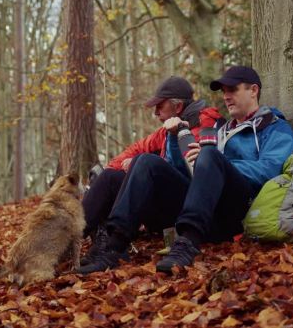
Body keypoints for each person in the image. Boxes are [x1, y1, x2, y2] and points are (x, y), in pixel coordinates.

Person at [79, 66, 293, 274]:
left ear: (254, 91)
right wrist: (176, 140)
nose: (226, 96)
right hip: (202, 206)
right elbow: (181, 173)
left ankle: (187, 243)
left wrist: (218, 161)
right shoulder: (221, 131)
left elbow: (272, 168)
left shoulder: (274, 126)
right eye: (224, 91)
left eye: (232, 90)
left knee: (209, 154)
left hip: (235, 212)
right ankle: (113, 245)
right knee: (145, 161)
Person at [81, 76, 222, 264]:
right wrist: (112, 168)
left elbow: (191, 170)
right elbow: (137, 148)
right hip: (166, 207)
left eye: (159, 106)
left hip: (190, 208)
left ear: (178, 107)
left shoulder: (205, 124)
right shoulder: (165, 130)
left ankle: (115, 244)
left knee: (145, 162)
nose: (155, 112)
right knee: (108, 177)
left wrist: (138, 165)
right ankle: (66, 238)